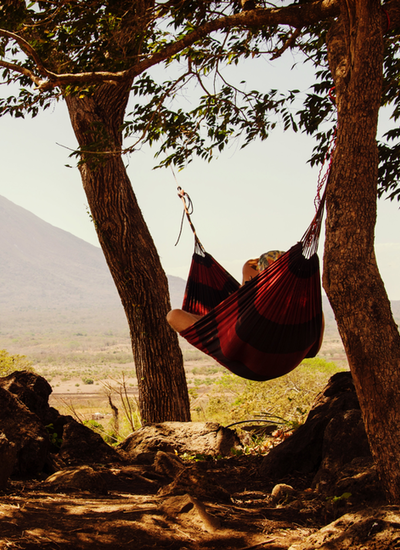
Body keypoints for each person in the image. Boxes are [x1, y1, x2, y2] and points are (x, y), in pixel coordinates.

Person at [166, 250, 285, 334]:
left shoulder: (282, 298)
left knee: (175, 316)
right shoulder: (254, 287)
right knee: (175, 315)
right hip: (231, 324)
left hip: (243, 333)